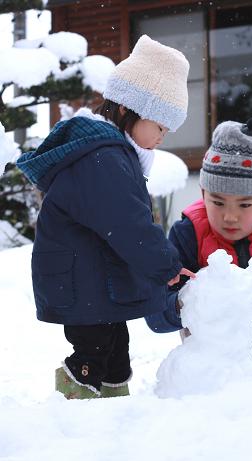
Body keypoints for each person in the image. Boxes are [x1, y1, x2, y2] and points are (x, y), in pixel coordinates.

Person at [17, 35, 194, 399]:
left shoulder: (113, 154)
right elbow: (128, 225)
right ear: (129, 109)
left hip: (95, 281)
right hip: (82, 281)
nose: (162, 137)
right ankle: (76, 412)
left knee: (116, 356)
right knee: (93, 355)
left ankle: (114, 417)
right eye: (160, 126)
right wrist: (166, 265)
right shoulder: (102, 158)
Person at [146, 118, 252, 373]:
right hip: (215, 341)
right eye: (217, 202)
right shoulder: (188, 231)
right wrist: (187, 304)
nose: (230, 216)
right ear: (203, 194)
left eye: (245, 205)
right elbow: (156, 313)